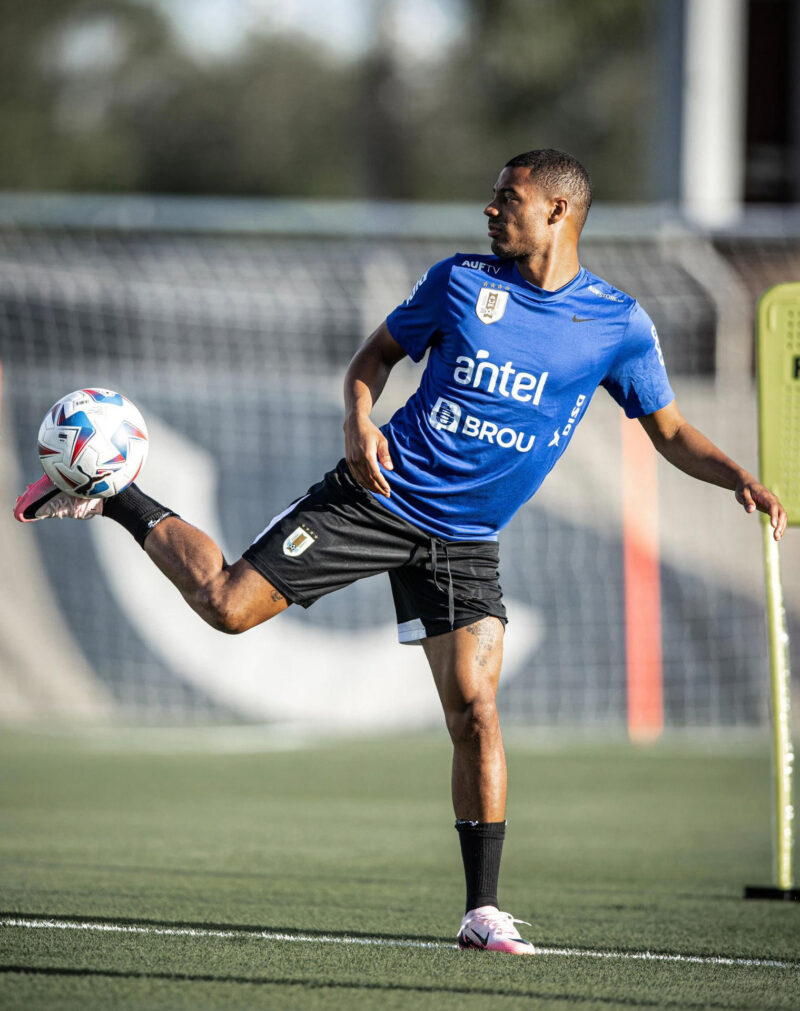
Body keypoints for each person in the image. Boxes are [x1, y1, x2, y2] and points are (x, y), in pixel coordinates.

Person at [15, 149, 787, 955]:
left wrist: (737, 476)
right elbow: (372, 361)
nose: (490, 211)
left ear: (559, 211)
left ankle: (482, 910)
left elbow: (668, 431)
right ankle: (118, 496)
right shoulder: (458, 282)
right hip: (376, 496)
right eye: (491, 198)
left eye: (507, 199)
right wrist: (358, 423)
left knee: (478, 713)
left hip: (466, 539)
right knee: (226, 607)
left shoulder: (617, 324)